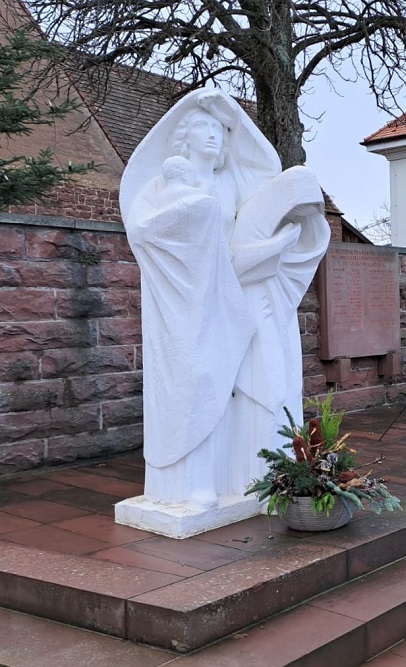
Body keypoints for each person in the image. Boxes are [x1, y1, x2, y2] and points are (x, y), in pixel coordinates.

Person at [119, 89, 330, 514]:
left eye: (221, 130)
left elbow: (261, 176)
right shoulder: (164, 184)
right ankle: (193, 484)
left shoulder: (230, 180)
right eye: (204, 127)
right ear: (183, 137)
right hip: (186, 304)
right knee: (196, 383)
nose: (215, 136)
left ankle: (237, 479)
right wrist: (197, 219)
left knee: (240, 386)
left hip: (231, 297)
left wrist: (227, 110)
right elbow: (145, 231)